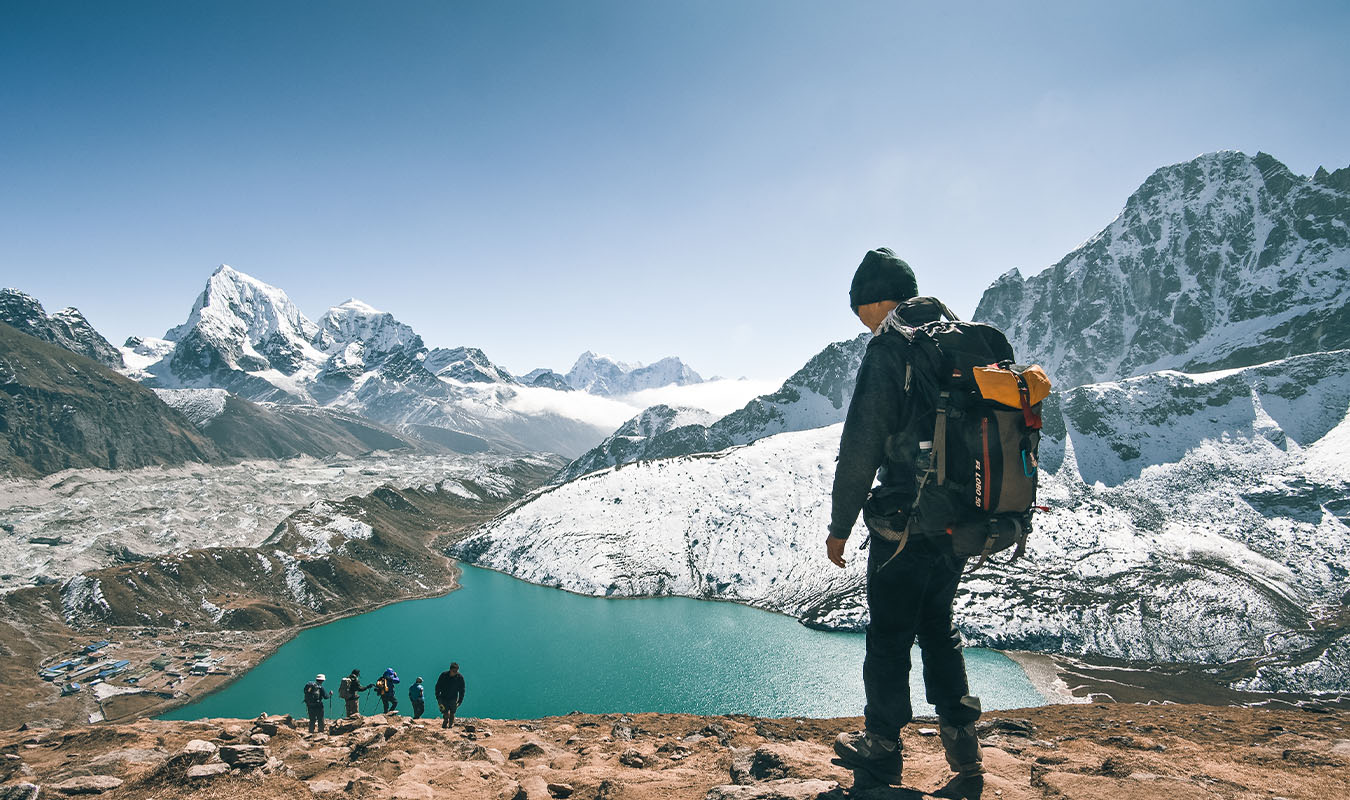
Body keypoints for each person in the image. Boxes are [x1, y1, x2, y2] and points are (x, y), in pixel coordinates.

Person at [826, 248, 986, 798]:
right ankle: (964, 749)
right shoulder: (959, 342)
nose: (861, 321)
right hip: (962, 521)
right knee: (939, 627)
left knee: (890, 637)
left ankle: (882, 749)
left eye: (860, 309)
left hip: (907, 522)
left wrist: (840, 524)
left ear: (876, 300)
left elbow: (862, 445)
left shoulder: (892, 347)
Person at [434, 663, 465, 730]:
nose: (455, 672)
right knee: (445, 712)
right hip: (443, 697)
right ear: (450, 670)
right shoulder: (443, 675)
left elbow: (462, 690)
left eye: (456, 671)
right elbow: (438, 686)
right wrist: (438, 696)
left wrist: (460, 700)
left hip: (453, 698)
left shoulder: (460, 677)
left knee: (452, 712)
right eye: (454, 671)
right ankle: (445, 723)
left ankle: (450, 726)